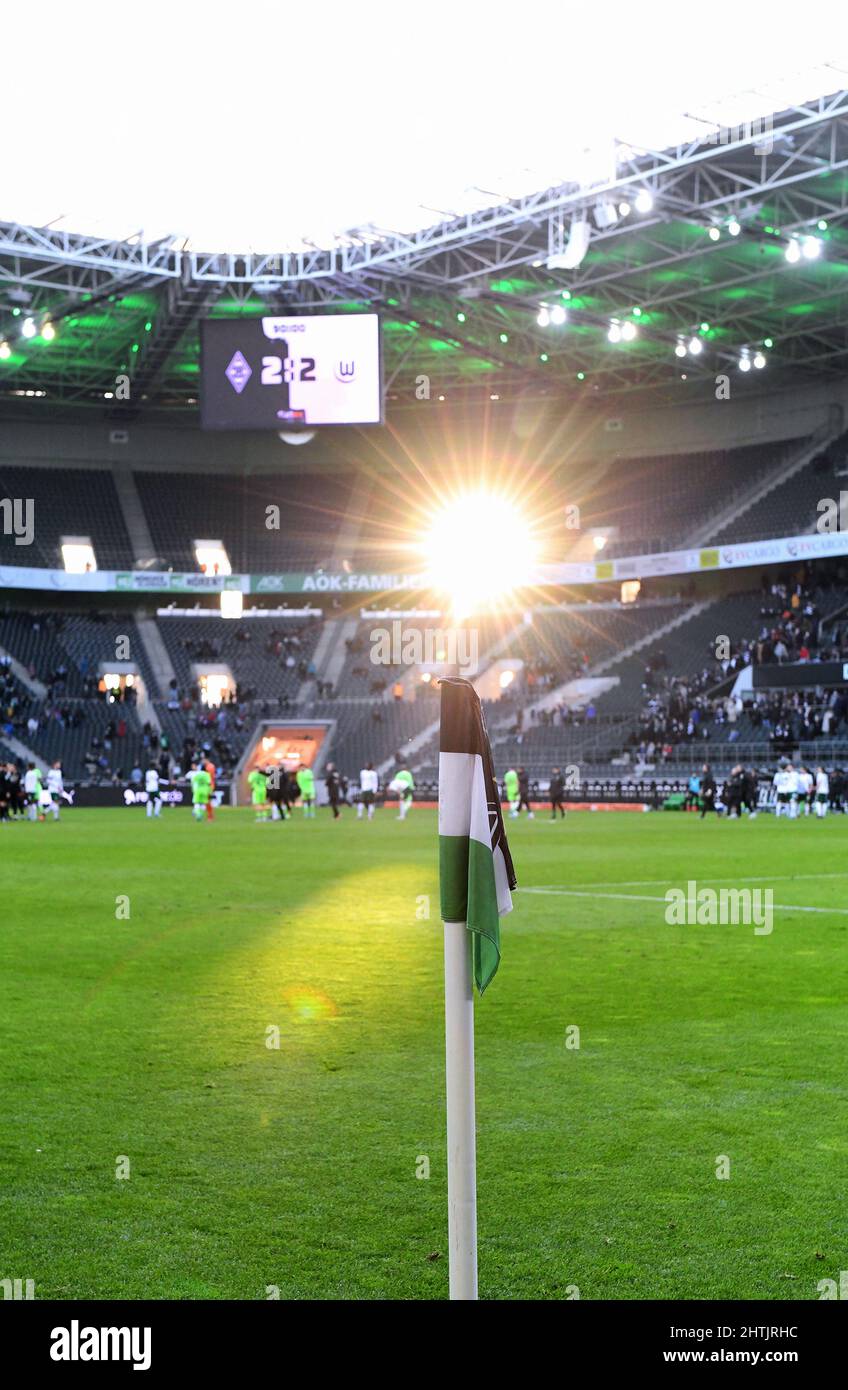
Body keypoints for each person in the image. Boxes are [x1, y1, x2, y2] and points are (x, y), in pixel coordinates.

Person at [203, 754, 216, 821]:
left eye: (203, 760)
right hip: (209, 785)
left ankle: (210, 816)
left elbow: (210, 777)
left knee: (207, 801)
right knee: (207, 801)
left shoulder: (209, 767)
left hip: (209, 785)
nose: (203, 761)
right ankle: (210, 815)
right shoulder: (209, 766)